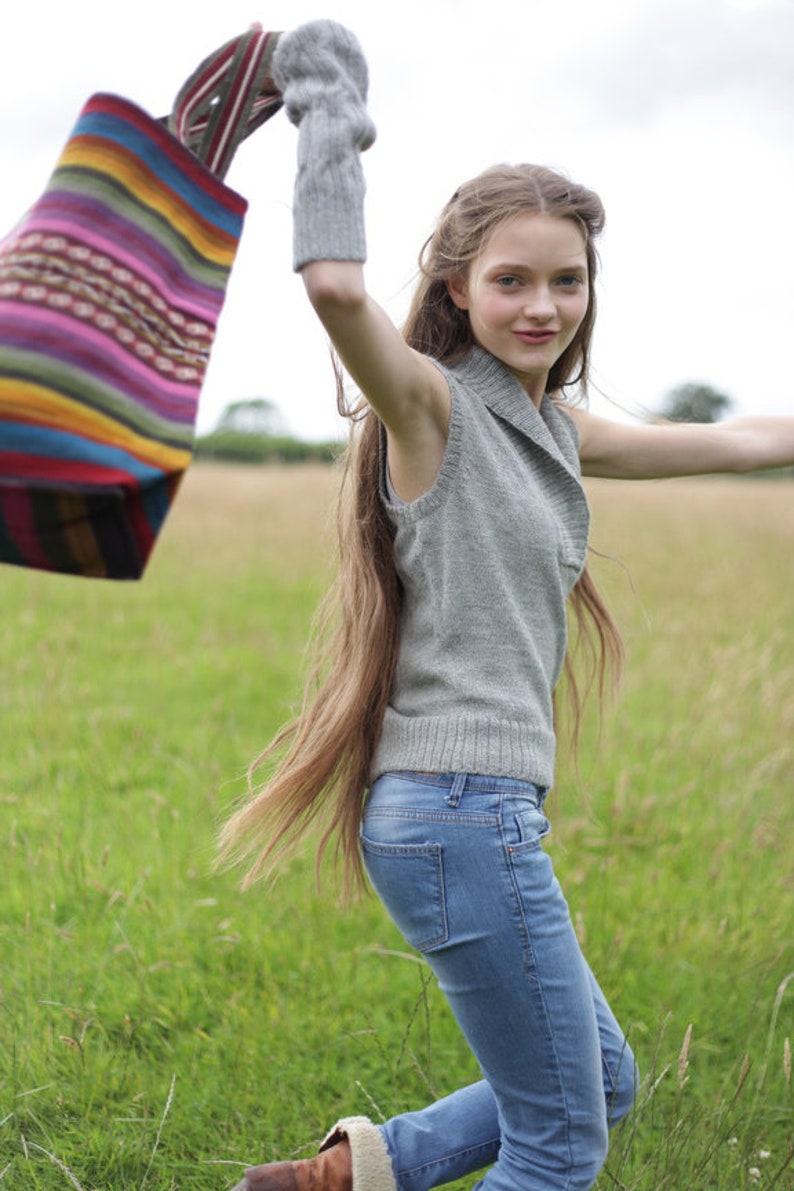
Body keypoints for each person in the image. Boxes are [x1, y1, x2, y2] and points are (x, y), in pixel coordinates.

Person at [218, 20, 794, 1191]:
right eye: (511, 280)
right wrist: (325, 103)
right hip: (454, 817)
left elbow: (740, 438)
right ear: (457, 287)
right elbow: (332, 287)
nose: (542, 305)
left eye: (565, 280)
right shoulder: (431, 407)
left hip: (475, 817)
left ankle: (348, 1177)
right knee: (558, 1142)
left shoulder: (554, 431)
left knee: (604, 1080)